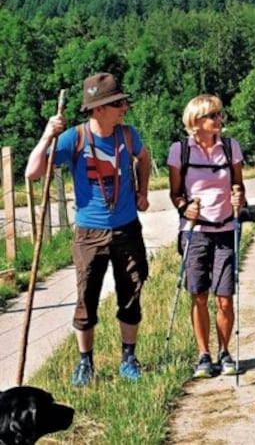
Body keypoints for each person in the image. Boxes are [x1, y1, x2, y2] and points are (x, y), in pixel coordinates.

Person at [26, 72, 151, 386]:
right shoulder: (74, 138)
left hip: (127, 229)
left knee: (131, 292)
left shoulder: (128, 135)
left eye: (122, 101)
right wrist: (46, 136)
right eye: (117, 103)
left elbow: (144, 159)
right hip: (89, 233)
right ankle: (85, 363)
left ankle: (129, 358)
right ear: (98, 109)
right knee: (86, 297)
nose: (124, 107)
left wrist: (143, 191)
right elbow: (32, 173)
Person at [167, 94, 246, 378]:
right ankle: (204, 355)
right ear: (196, 122)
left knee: (224, 297)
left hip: (225, 229)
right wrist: (185, 208)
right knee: (198, 295)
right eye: (212, 116)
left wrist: (239, 199)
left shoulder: (230, 147)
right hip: (195, 233)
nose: (219, 120)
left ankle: (225, 353)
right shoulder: (180, 151)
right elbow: (175, 194)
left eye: (219, 115)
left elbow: (239, 186)